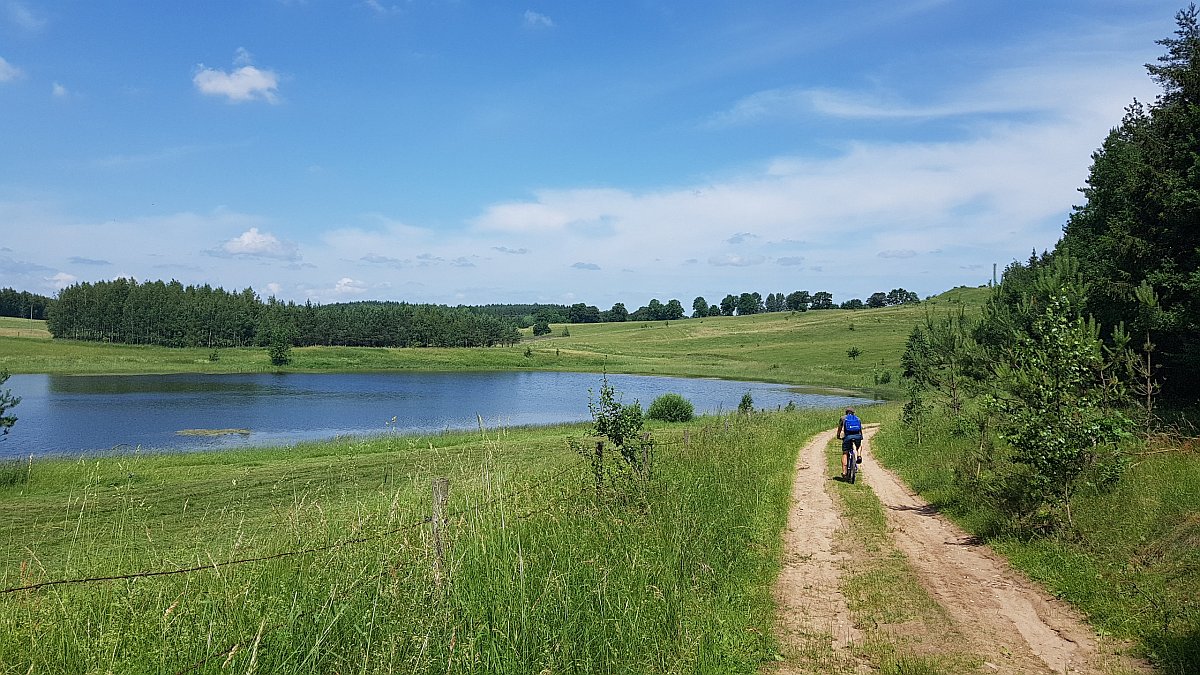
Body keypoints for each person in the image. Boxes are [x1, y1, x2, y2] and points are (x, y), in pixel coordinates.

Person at [836, 407, 863, 479]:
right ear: (853, 413)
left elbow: (839, 428)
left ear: (846, 412)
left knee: (845, 453)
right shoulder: (858, 418)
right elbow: (860, 429)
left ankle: (844, 472)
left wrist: (838, 436)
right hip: (857, 436)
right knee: (859, 446)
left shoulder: (843, 418)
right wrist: (861, 437)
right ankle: (859, 456)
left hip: (848, 437)